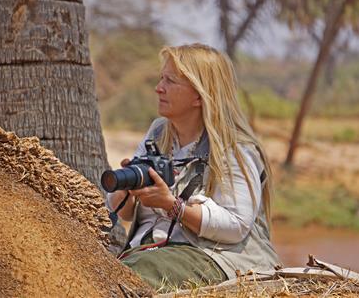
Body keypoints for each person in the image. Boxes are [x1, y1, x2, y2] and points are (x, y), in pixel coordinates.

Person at [107, 43, 280, 291]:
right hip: (150, 252)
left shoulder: (234, 147)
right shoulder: (158, 133)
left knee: (134, 277)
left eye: (170, 81)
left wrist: (173, 205)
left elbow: (236, 226)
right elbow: (124, 214)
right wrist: (127, 191)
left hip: (217, 256)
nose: (159, 88)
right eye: (161, 78)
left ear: (200, 95)